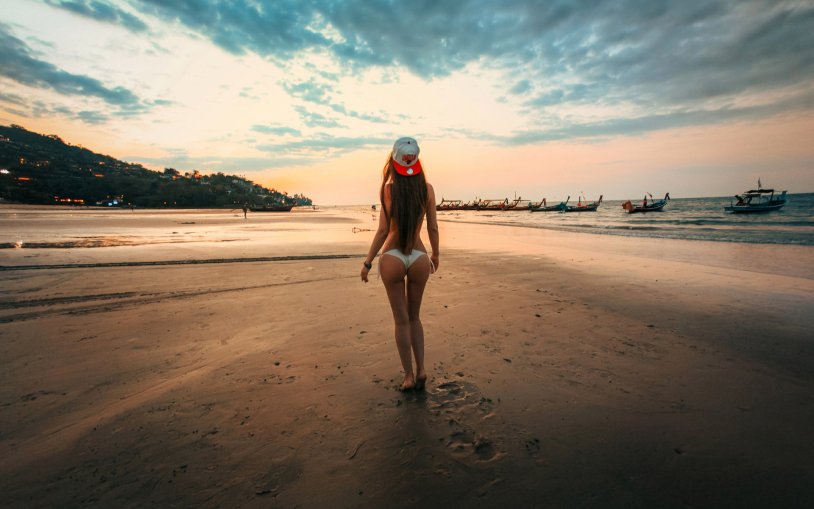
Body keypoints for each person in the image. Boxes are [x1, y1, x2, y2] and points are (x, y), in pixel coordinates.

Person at [361, 137, 440, 391]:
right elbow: (432, 227)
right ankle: (422, 371)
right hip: (419, 257)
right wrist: (435, 255)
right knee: (415, 317)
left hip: (392, 258)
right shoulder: (427, 189)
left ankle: (408, 376)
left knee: (401, 320)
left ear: (394, 161)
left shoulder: (388, 189)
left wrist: (368, 262)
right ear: (416, 162)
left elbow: (383, 230)